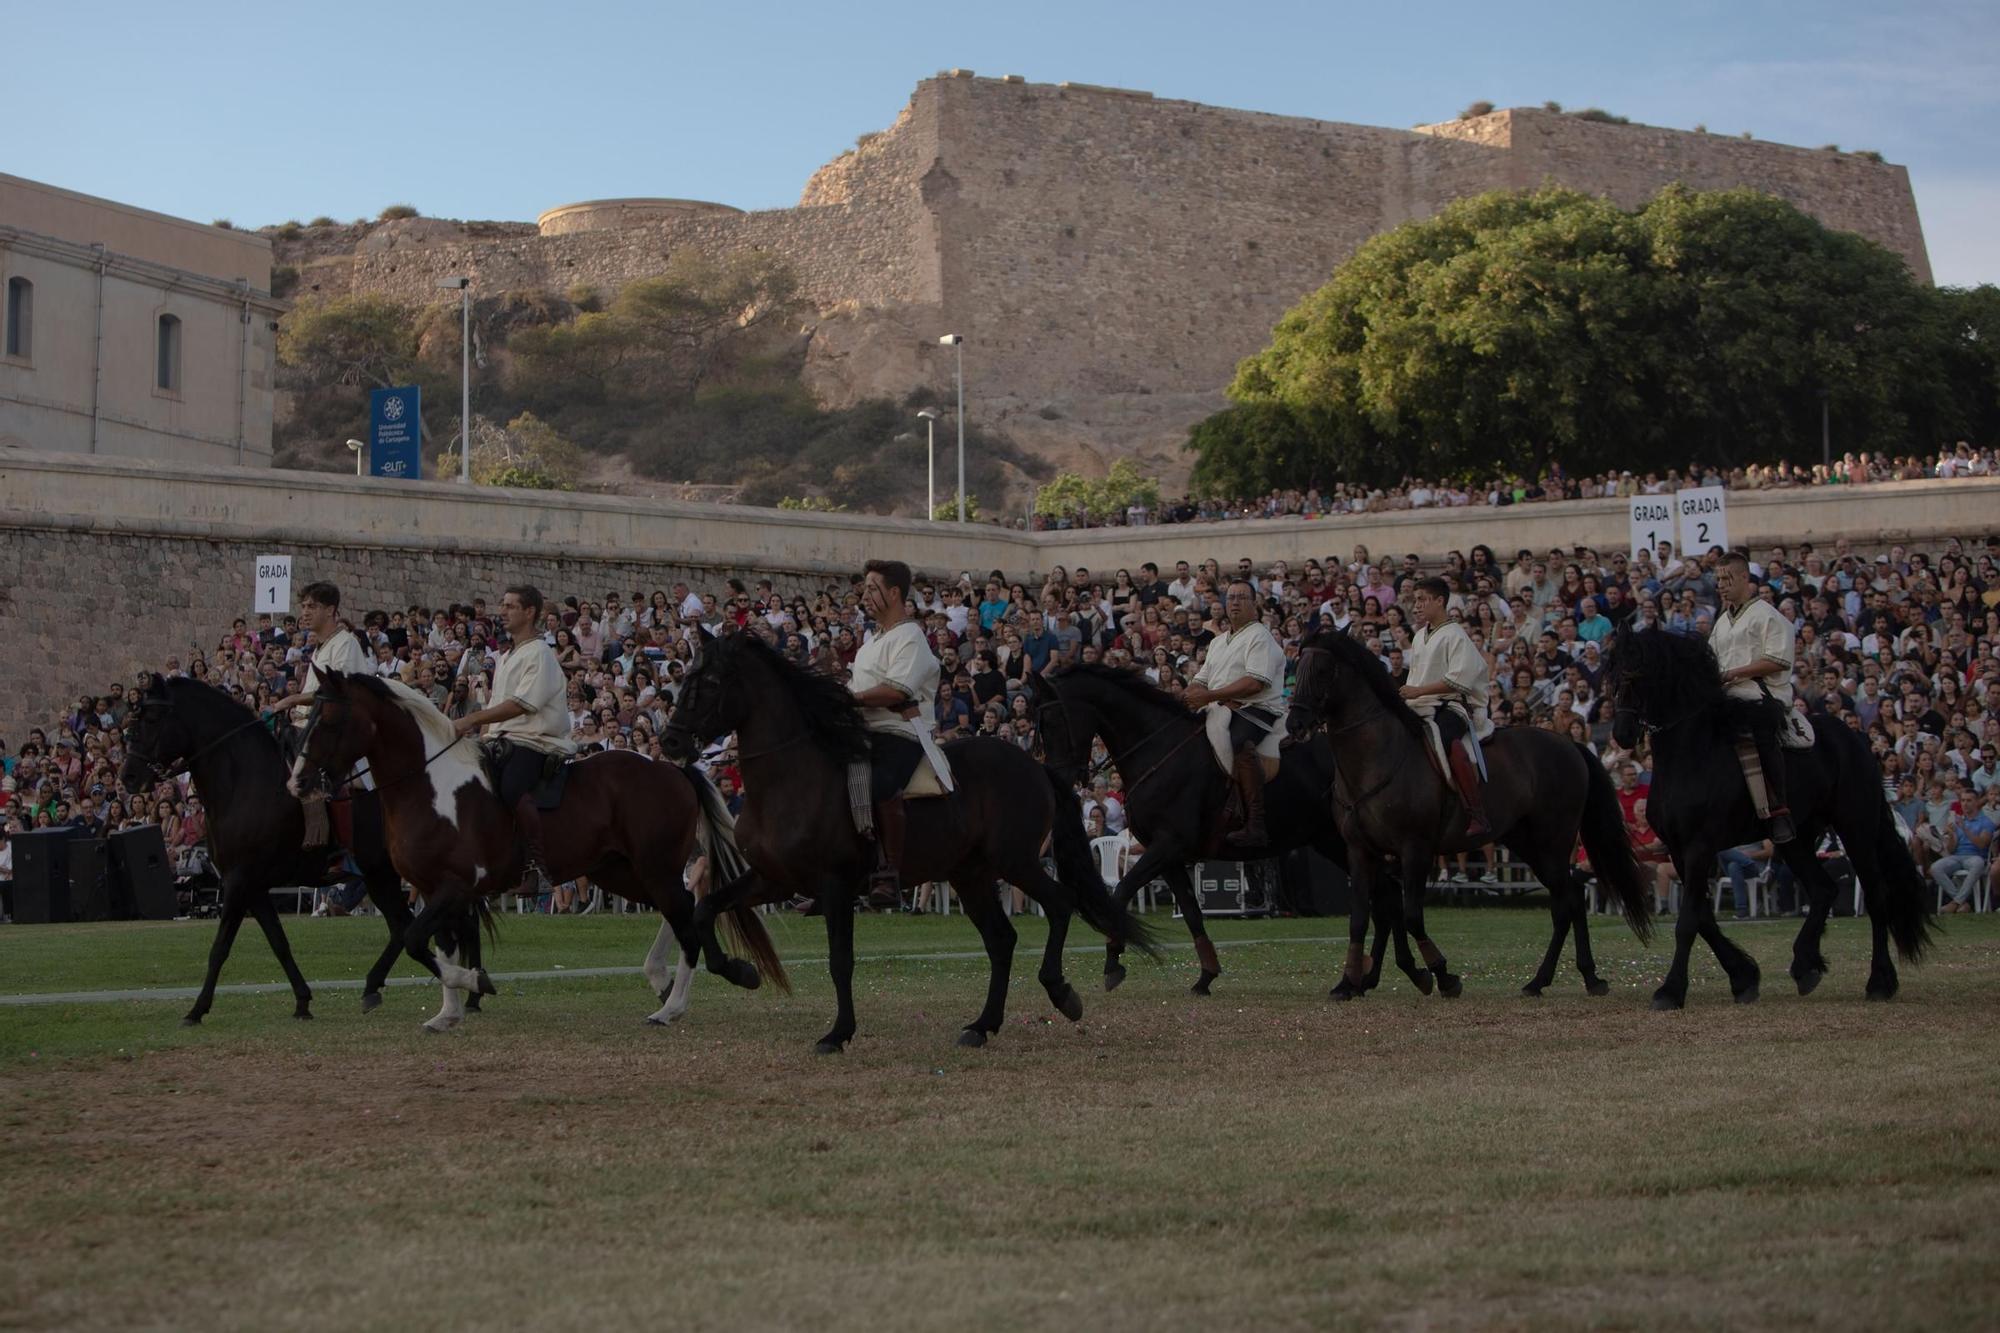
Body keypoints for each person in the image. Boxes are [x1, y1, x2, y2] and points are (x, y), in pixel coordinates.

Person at [452, 585, 575, 897]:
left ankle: (536, 866)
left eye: (510, 606)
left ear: (530, 611)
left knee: (510, 787)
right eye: (502, 605)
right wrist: (480, 735)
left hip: (533, 740)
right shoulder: (507, 655)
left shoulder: (540, 653)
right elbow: (500, 703)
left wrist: (472, 719)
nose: (502, 611)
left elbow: (522, 704)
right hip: (500, 739)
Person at [849, 559, 954, 899]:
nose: (865, 596)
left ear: (894, 593)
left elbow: (897, 692)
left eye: (872, 589)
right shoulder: (869, 643)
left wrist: (848, 699)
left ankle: (889, 871)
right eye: (865, 589)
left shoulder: (911, 636)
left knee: (881, 783)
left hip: (900, 732)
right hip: (864, 732)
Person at [268, 582, 375, 847]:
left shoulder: (346, 643)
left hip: (337, 729)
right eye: (303, 606)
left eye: (311, 606)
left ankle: (326, 836)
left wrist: (292, 699)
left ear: (330, 610)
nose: (304, 612)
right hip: (312, 724)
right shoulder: (319, 648)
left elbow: (340, 692)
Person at [1183, 580, 1286, 846]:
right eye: (1231, 598)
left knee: (1239, 742)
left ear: (1254, 604)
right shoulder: (1218, 642)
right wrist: (1191, 695)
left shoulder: (1260, 636)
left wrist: (1209, 696)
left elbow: (1255, 683)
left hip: (1257, 711)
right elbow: (1201, 680)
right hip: (1220, 707)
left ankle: (1255, 822)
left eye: (1242, 597)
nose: (1235, 602)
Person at [1710, 552, 1798, 842]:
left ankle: (1779, 808)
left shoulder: (1769, 616)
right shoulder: (1722, 622)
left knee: (1761, 728)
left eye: (1727, 578)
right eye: (1718, 579)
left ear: (1745, 577)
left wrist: (1733, 674)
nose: (1721, 585)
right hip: (1729, 694)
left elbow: (1777, 661)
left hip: (1763, 692)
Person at [1398, 577, 1493, 839]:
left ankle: (1476, 812)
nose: (1416, 606)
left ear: (1440, 601)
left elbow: (1460, 680)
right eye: (1415, 600)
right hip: (1419, 704)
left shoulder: (1455, 635)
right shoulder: (1418, 636)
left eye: (1422, 600)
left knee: (1447, 738)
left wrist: (1418, 691)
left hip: (1454, 705)